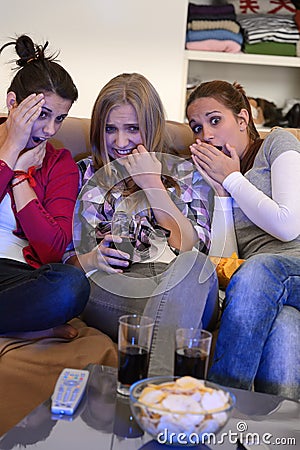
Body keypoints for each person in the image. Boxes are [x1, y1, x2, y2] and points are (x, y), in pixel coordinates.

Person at [64, 72, 219, 375]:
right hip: (112, 285)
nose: (120, 142)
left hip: (182, 284)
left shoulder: (187, 174)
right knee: (172, 313)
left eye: (133, 129)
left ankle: (153, 402)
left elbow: (192, 246)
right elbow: (63, 267)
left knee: (196, 267)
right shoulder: (82, 174)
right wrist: (92, 257)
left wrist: (151, 184)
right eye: (110, 129)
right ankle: (164, 402)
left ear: (153, 127)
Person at [186, 79, 300, 400]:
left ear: (242, 118)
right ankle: (272, 438)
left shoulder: (278, 143)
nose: (205, 134)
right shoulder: (215, 178)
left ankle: (219, 405)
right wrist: (221, 193)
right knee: (286, 330)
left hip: (290, 267)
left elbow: (288, 224)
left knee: (258, 270)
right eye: (196, 127)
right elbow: (229, 263)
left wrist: (233, 179)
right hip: (265, 287)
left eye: (215, 120)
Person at [0, 35, 90, 340]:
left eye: (60, 118)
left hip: (20, 281)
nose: (50, 130)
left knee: (71, 286)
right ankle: (30, 329)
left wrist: (21, 177)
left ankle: (23, 324)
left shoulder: (59, 163)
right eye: (42, 115)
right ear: (13, 103)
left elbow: (52, 250)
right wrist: (10, 150)